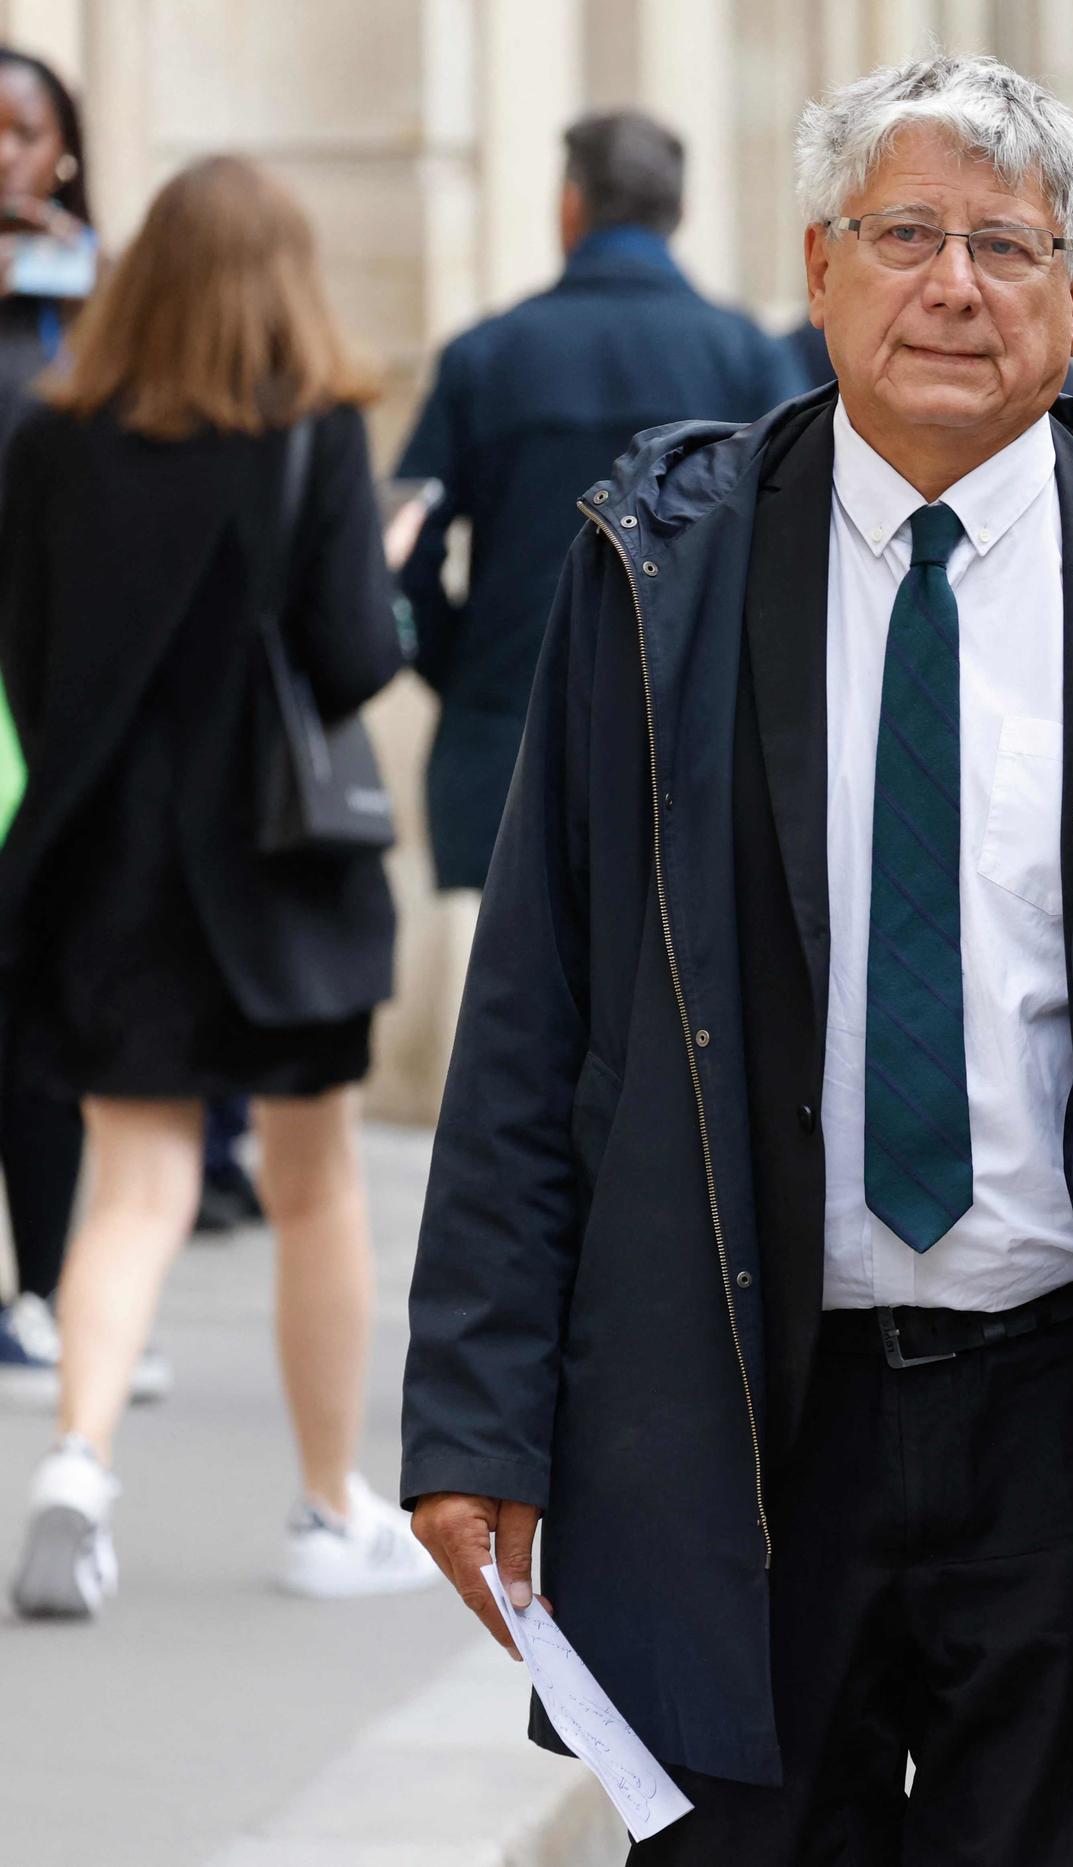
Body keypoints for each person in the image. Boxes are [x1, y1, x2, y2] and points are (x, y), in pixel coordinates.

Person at [401, 52, 1073, 1863]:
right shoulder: (660, 574)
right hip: (735, 1413)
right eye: (906, 234)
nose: (956, 286)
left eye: (1008, 247)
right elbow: (534, 1009)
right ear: (818, 270)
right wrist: (475, 1406)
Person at [0, 155, 439, 1619]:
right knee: (312, 1189)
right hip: (276, 877)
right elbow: (350, 664)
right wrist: (389, 572)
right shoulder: (313, 435)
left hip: (110, 869)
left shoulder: (55, 443)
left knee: (130, 1189)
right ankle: (328, 1507)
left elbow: (37, 668)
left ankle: (77, 1459)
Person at [392, 109, 800, 893]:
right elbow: (799, 552)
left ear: (570, 205)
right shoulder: (747, 358)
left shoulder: (486, 356)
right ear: (678, 213)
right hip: (693, 758)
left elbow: (400, 544)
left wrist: (467, 669)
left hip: (508, 759)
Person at [0, 45, 98, 1398]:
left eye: (18, 131)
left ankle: (53, 1286)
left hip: (60, 699)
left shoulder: (109, 299)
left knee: (38, 1003)